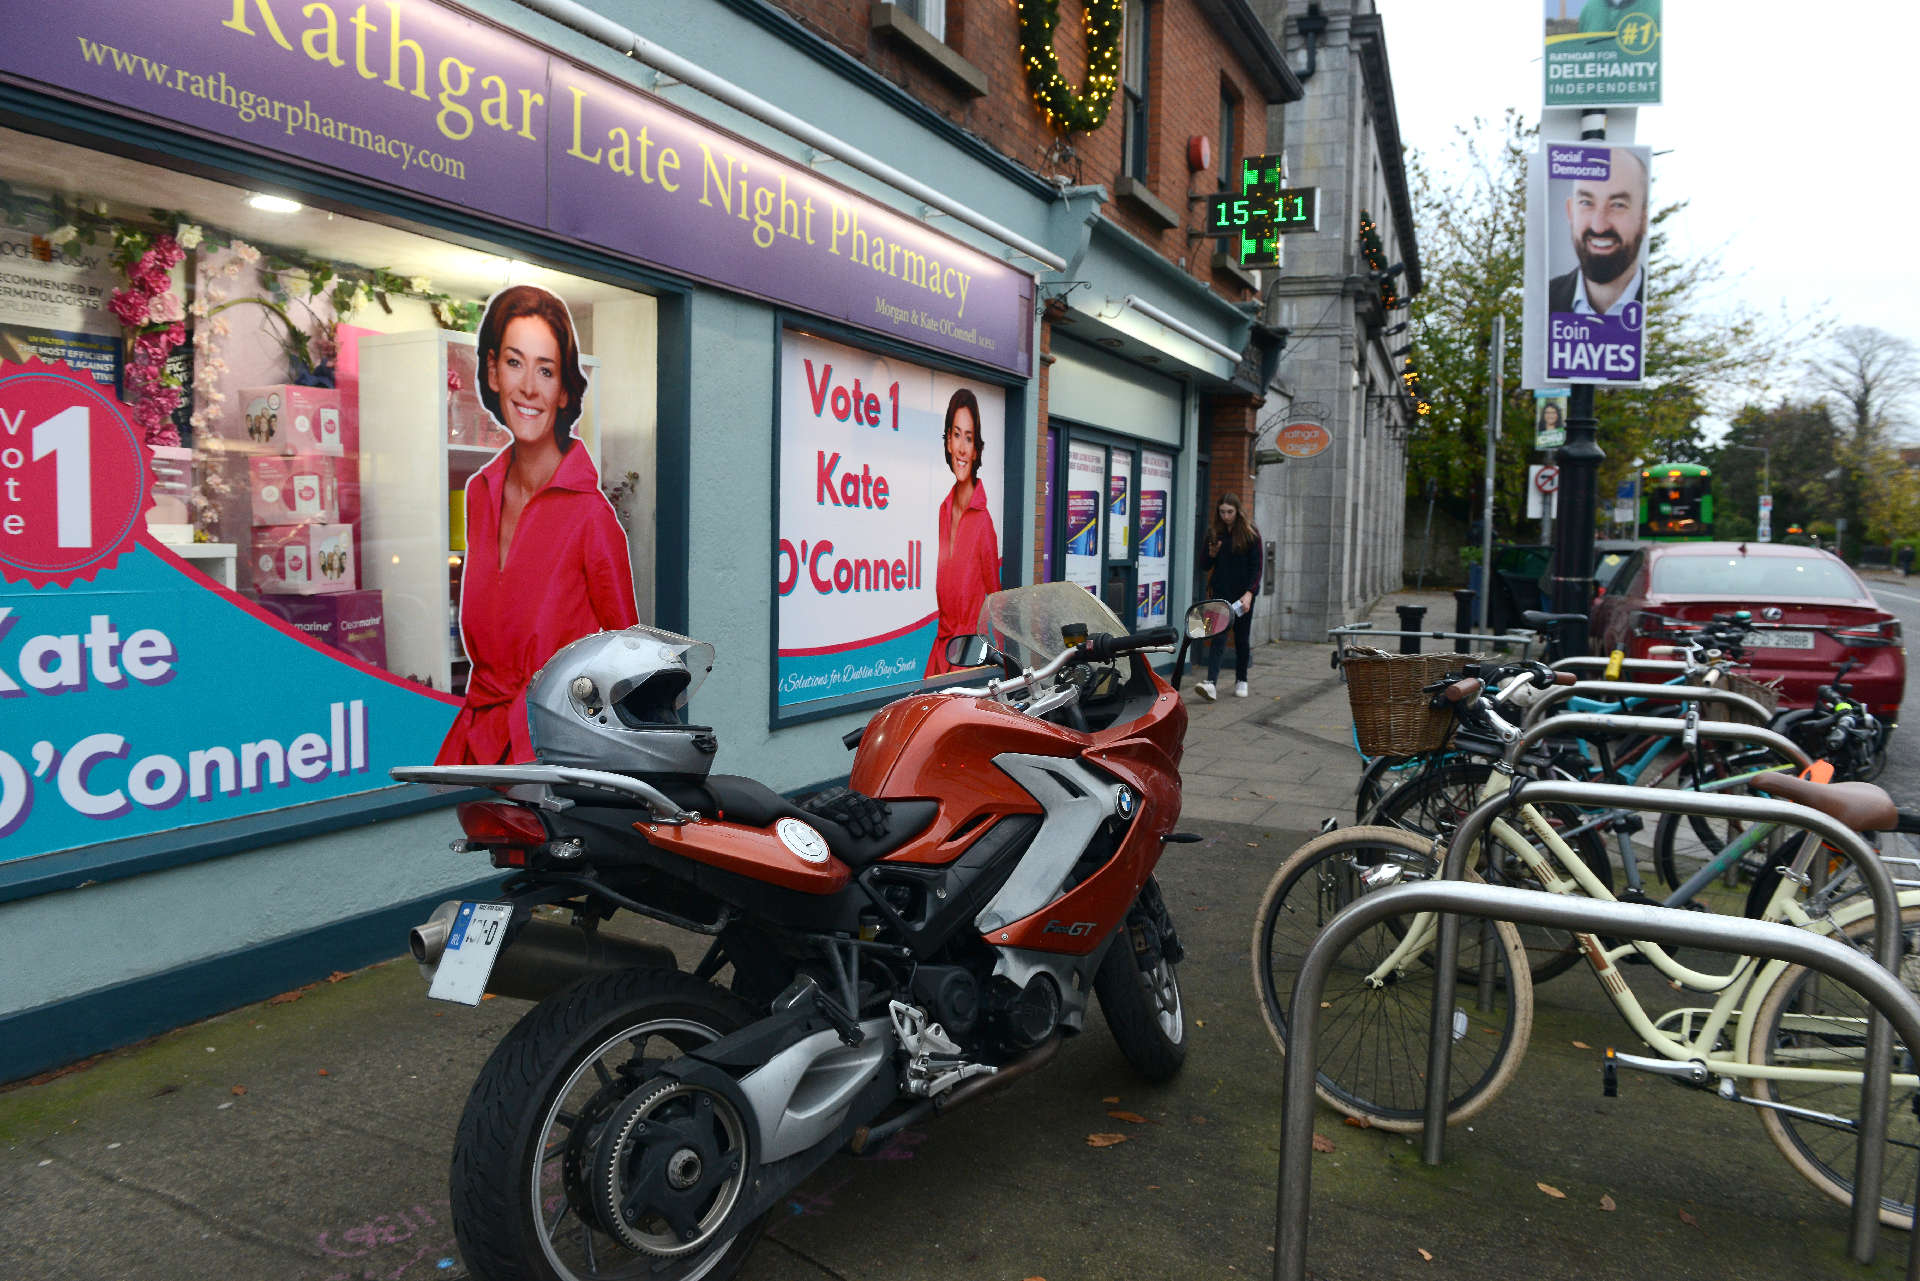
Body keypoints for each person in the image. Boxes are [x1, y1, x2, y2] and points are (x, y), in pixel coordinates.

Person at [437, 285, 638, 765]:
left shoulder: (590, 515)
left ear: (564, 388)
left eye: (545, 370)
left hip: (558, 749)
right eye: (514, 363)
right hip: (484, 739)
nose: (528, 386)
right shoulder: (481, 495)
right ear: (491, 372)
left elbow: (626, 652)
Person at [925, 387, 1001, 676]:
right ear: (947, 441)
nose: (961, 447)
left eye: (969, 438)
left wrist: (1010, 669)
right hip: (941, 654)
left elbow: (996, 600)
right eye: (956, 435)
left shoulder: (983, 522)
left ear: (977, 449)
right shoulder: (944, 510)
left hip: (968, 658)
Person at [1547, 146, 1648, 317]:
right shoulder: (1544, 300)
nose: (1599, 226)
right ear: (1571, 211)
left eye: (1618, 205)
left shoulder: (1663, 306)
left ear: (1644, 219)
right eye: (1587, 202)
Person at [1196, 493, 1261, 701]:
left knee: (1241, 639)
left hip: (1242, 596)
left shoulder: (1251, 534)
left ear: (1238, 511)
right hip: (1220, 594)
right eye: (1222, 512)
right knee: (1218, 638)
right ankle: (1211, 684)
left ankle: (1241, 679)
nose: (1226, 516)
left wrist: (1250, 593)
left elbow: (1257, 568)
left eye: (1230, 512)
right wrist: (1212, 554)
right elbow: (1204, 565)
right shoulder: (1214, 533)